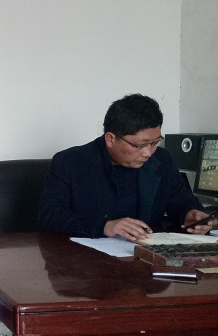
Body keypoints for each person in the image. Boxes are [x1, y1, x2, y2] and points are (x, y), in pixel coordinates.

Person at [39, 94, 218, 240]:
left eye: (155, 142)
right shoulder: (70, 162)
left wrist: (190, 214)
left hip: (144, 258)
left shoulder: (162, 160)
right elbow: (50, 215)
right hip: (86, 261)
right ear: (110, 139)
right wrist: (104, 226)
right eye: (140, 145)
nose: (148, 153)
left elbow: (179, 199)